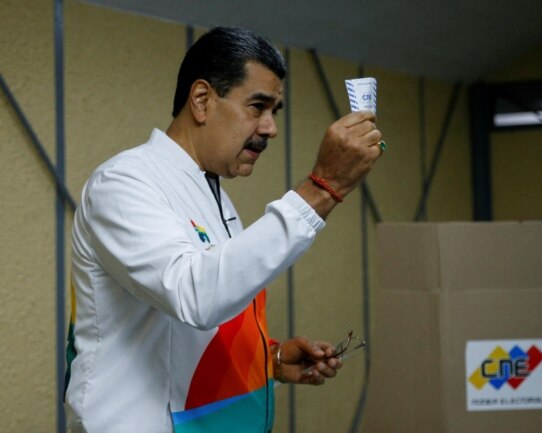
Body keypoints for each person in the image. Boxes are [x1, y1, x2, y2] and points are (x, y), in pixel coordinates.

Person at [64, 26, 383, 433]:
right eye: (257, 106)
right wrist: (322, 188)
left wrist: (271, 359)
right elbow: (196, 295)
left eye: (275, 111)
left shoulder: (210, 192)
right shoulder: (125, 183)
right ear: (202, 100)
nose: (270, 128)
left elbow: (202, 311)